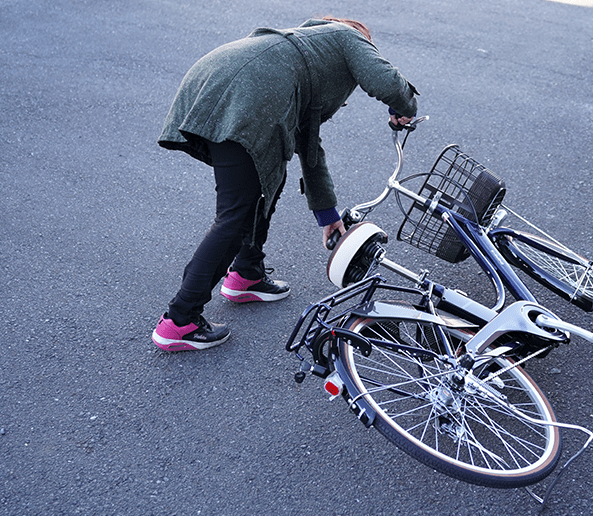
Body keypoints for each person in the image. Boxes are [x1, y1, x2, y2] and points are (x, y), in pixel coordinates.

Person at [151, 17, 418, 351]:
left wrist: (327, 215)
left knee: (264, 184)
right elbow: (387, 81)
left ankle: (246, 274)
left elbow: (309, 146)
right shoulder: (347, 36)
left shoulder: (305, 53)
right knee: (236, 214)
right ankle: (179, 320)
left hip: (215, 81)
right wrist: (404, 106)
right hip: (246, 98)